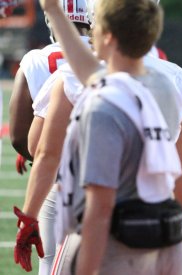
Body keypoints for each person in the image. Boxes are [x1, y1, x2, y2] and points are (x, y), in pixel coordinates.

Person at [20, 0, 182, 274]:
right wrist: (176, 220)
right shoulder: (176, 82)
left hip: (112, 232)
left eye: (95, 25)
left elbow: (99, 202)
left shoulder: (100, 100)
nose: (90, 32)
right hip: (158, 226)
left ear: (108, 35)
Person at [8, 2, 91, 273]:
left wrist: (35, 153)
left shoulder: (37, 59)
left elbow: (20, 136)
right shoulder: (112, 54)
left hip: (57, 182)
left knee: (51, 262)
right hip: (111, 178)